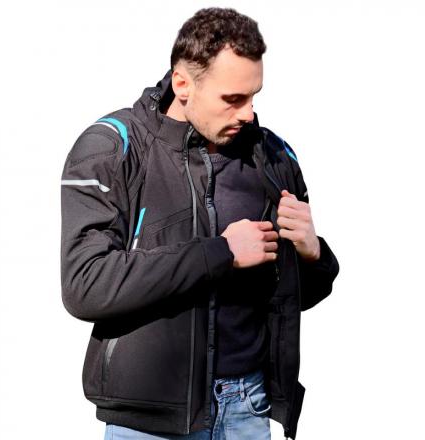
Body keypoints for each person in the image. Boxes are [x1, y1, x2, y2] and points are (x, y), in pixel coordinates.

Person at [60, 7, 340, 440]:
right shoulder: (111, 147)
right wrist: (221, 253)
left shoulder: (274, 157)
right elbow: (85, 286)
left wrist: (313, 255)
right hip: (149, 421)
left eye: (254, 96)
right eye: (233, 99)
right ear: (183, 84)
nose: (248, 113)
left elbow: (290, 297)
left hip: (248, 409)